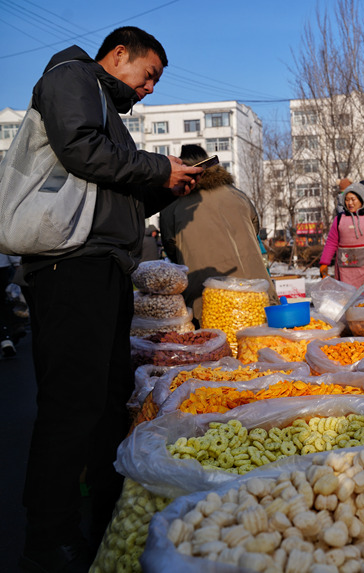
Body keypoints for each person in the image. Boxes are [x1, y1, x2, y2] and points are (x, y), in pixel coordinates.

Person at [16, 27, 202, 572]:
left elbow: (107, 197)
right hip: (69, 267)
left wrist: (160, 187)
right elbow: (79, 149)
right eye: (149, 76)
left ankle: (98, 510)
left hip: (101, 264)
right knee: (72, 402)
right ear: (119, 55)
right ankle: (46, 537)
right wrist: (156, 167)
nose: (149, 90)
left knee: (103, 397)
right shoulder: (70, 76)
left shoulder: (108, 114)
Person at [160, 144, 276, 322]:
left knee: (216, 344)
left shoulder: (172, 205)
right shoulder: (238, 195)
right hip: (256, 290)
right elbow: (255, 230)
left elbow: (172, 249)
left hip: (207, 297)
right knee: (257, 344)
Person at [0, 253, 22, 357]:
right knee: (4, 302)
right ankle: (8, 336)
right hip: (2, 265)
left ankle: (6, 337)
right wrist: (16, 262)